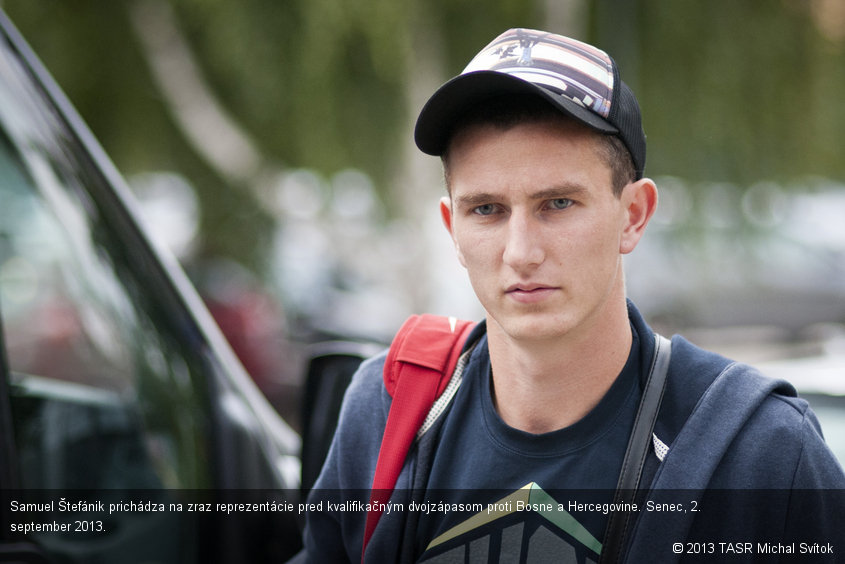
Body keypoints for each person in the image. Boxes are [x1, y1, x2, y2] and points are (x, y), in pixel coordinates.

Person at [293, 28, 845, 563]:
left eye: (557, 204)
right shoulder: (390, 409)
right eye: (486, 209)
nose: (520, 252)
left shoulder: (761, 456)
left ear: (633, 216)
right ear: (452, 228)